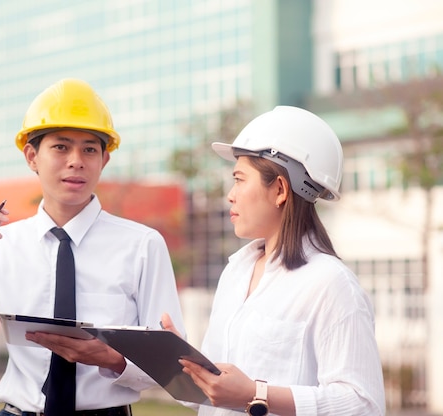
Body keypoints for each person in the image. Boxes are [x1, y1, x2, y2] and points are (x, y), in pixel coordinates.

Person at [0, 78, 186, 416]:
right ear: (32, 156)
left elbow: (174, 366)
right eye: (61, 147)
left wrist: (116, 361)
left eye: (90, 149)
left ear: (104, 160)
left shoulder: (142, 246)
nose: (76, 161)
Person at [162, 106, 385, 415]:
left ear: (279, 189)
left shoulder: (331, 284)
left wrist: (256, 395)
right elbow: (211, 396)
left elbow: (363, 405)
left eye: (239, 179)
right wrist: (177, 358)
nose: (230, 194)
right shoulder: (235, 273)